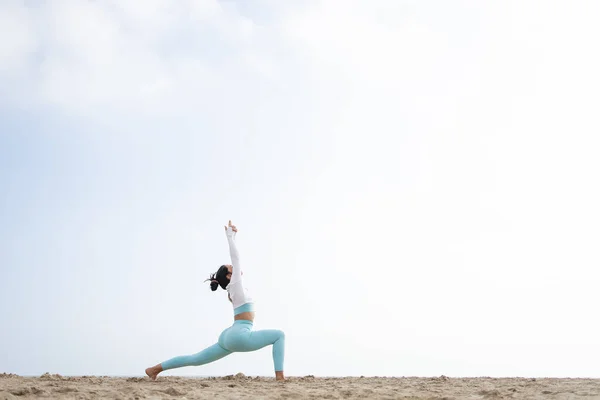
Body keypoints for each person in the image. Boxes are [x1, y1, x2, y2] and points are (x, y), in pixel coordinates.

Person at [145, 220, 286, 381]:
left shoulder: (234, 289)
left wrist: (233, 236)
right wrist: (230, 237)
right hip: (239, 335)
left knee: (195, 359)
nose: (235, 268)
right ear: (229, 276)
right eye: (231, 268)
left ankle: (154, 369)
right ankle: (280, 377)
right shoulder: (235, 286)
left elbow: (236, 262)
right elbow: (236, 258)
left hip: (228, 336)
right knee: (279, 335)